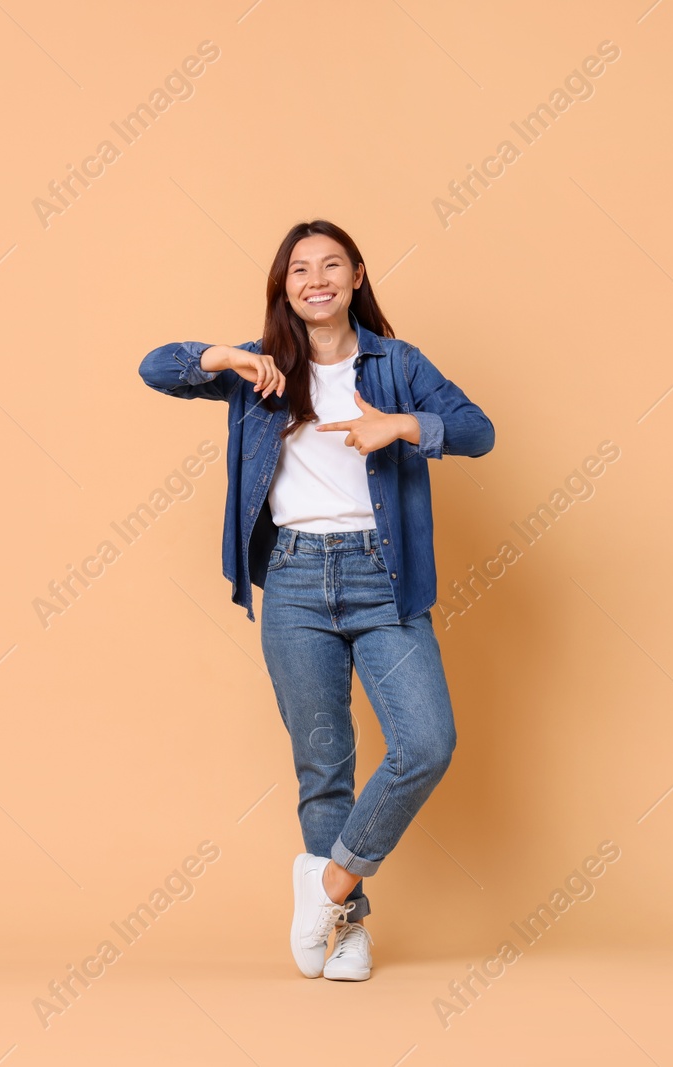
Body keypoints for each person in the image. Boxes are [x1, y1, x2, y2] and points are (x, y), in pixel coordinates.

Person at [137, 219, 494, 981]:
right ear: (284, 286)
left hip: (382, 575)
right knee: (324, 766)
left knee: (425, 742)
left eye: (332, 264)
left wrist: (398, 426)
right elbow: (154, 368)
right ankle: (349, 933)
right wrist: (225, 356)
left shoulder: (397, 363)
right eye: (300, 269)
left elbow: (476, 429)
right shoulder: (260, 370)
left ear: (358, 276)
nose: (317, 278)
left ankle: (329, 884)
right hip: (296, 579)